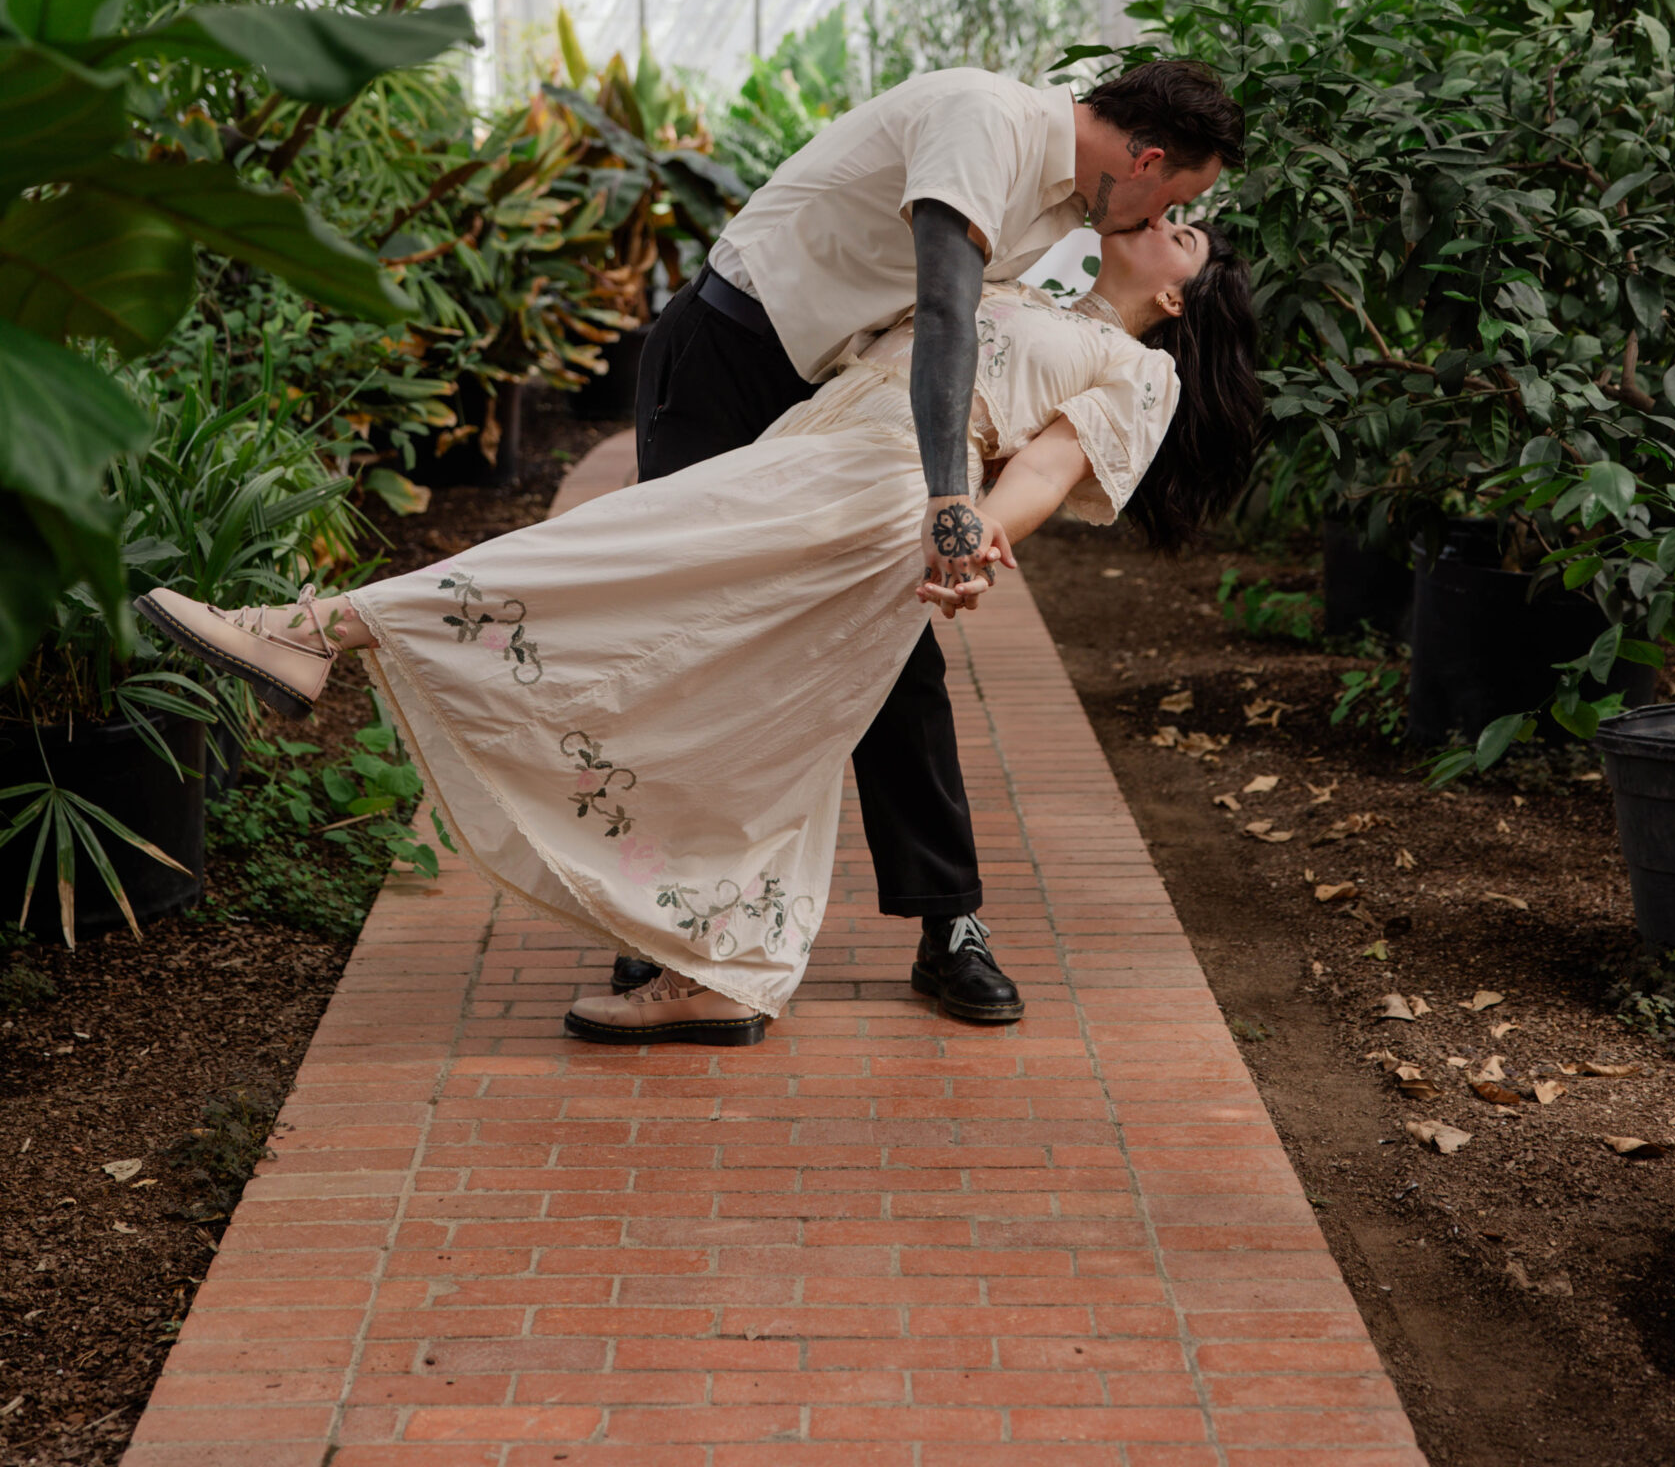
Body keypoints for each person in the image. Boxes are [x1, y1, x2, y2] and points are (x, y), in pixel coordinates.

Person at [138, 209, 1261, 1048]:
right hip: (810, 453)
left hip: (871, 497)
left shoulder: (1136, 366)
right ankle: (721, 967)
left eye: (1187, 236)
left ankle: (311, 628)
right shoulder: (1024, 282)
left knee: (597, 564)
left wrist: (963, 540)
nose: (1165, 223)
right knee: (755, 712)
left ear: (1177, 298)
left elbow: (1049, 468)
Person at [616, 55, 1243, 1024]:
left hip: (829, 398)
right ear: (1149, 158)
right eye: (1179, 197)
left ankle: (949, 924)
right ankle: (663, 925)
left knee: (894, 656)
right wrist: (952, 498)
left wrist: (967, 506)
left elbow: (970, 358)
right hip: (723, 362)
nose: (1159, 220)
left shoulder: (1062, 212)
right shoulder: (982, 118)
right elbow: (946, 310)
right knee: (693, 643)